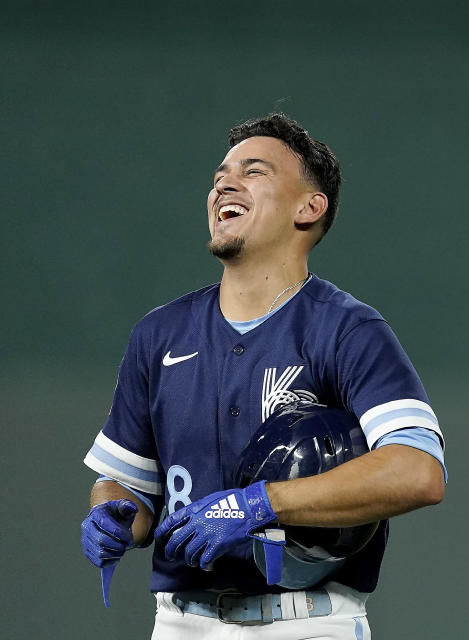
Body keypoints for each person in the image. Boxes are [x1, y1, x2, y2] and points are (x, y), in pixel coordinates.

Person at [80, 113, 446, 639]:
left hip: (308, 620)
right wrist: (112, 513)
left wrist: (260, 503)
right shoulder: (159, 334)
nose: (224, 184)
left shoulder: (347, 329)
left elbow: (418, 472)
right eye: (219, 176)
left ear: (309, 207)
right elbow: (127, 488)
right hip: (181, 622)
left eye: (254, 171)